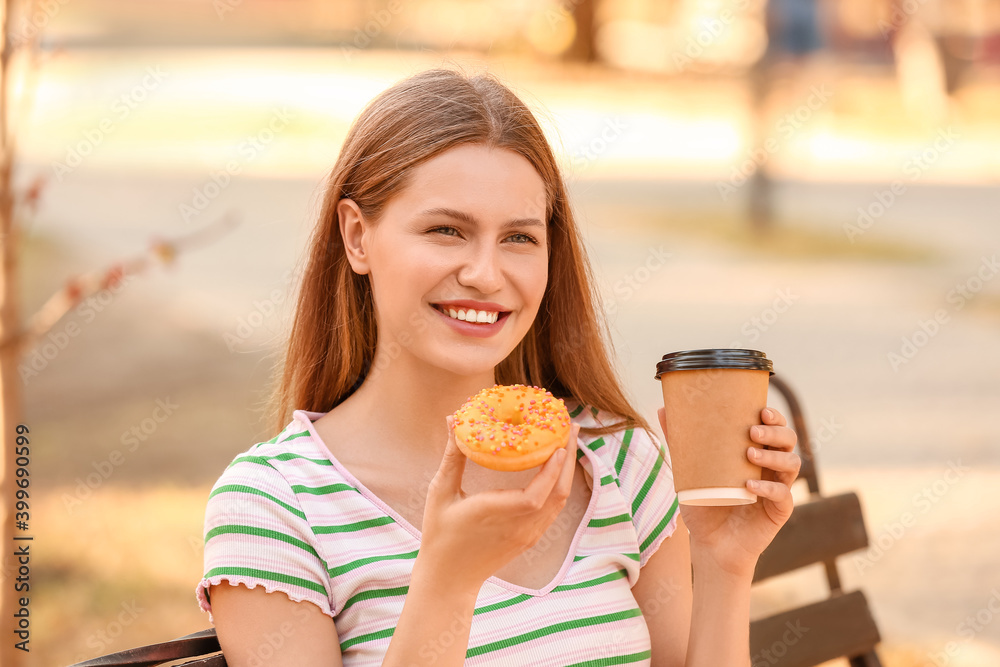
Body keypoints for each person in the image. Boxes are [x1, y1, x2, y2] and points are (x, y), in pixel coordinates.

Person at [194, 67, 801, 666]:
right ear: (357, 237)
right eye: (446, 230)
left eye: (518, 238)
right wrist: (447, 584)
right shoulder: (274, 506)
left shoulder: (616, 458)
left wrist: (725, 564)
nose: (486, 274)